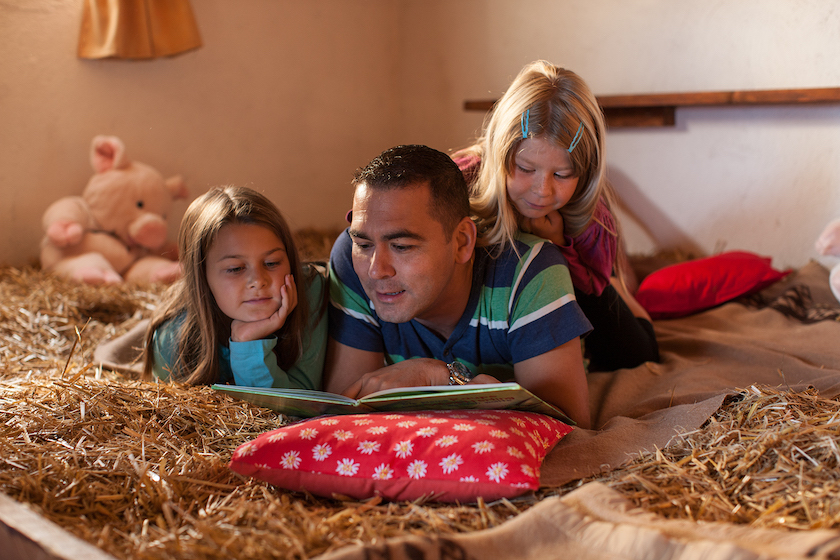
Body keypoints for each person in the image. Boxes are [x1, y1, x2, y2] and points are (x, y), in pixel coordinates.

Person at [326, 145, 593, 428]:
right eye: (364, 244)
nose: (376, 270)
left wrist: (440, 377)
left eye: (402, 246)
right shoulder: (349, 256)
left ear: (462, 242)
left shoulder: (530, 270)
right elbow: (343, 414)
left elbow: (570, 429)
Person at [452, 60, 659, 372]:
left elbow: (599, 305)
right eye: (525, 169)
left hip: (587, 272)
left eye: (562, 174)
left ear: (584, 173)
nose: (542, 191)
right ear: (499, 153)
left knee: (636, 349)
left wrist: (559, 243)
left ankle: (623, 286)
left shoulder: (592, 216)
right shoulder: (460, 181)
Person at [142, 185, 327, 389]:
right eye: (236, 268)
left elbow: (303, 404)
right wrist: (246, 342)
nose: (258, 280)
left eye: (272, 263)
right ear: (201, 277)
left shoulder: (312, 289)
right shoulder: (171, 338)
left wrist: (247, 346)